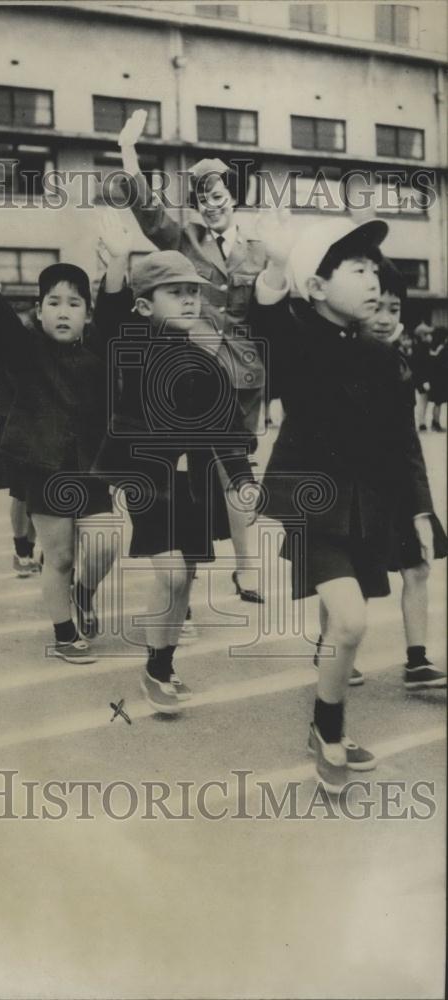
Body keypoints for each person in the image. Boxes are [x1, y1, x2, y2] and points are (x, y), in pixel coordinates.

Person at [254, 215, 437, 793]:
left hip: (365, 508)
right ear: (316, 287)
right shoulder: (298, 335)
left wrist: (417, 513)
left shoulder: (383, 358)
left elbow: (399, 443)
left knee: (350, 629)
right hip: (312, 504)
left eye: (374, 271)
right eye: (356, 270)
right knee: (352, 620)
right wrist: (279, 266)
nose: (373, 281)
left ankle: (324, 727)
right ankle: (328, 732)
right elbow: (265, 321)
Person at [117, 110, 279, 602]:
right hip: (193, 374)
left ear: (233, 194)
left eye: (218, 193)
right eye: (203, 197)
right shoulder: (184, 238)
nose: (211, 204)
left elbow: (272, 325)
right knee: (186, 475)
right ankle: (181, 583)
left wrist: (276, 393)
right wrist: (128, 154)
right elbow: (147, 212)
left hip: (246, 378)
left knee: (238, 475)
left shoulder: (259, 251)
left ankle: (246, 567)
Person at [91, 236, 256, 714]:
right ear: (144, 306)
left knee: (184, 579)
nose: (188, 298)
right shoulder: (133, 342)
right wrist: (119, 262)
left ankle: (160, 665)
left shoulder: (206, 362)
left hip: (191, 483)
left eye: (193, 291)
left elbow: (228, 428)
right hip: (147, 476)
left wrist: (243, 478)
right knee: (171, 572)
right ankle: (156, 670)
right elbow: (110, 315)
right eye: (175, 291)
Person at [0, 229, 117, 664]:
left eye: (74, 303)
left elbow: (118, 314)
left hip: (91, 465)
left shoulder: (101, 345)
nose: (64, 312)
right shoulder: (26, 348)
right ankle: (64, 634)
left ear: (87, 313)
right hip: (45, 465)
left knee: (104, 544)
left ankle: (84, 593)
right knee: (59, 556)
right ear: (39, 310)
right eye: (54, 303)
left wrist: (115, 266)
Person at [354, 260, 446, 689]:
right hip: (356, 487)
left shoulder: (400, 360)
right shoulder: (341, 356)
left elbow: (410, 441)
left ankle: (417, 660)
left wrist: (423, 507)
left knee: (418, 567)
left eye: (394, 308)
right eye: (376, 308)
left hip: (400, 485)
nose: (386, 317)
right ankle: (332, 648)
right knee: (350, 573)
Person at [0, 367, 40, 577]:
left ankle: (33, 548)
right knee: (20, 490)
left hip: (47, 409)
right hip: (13, 413)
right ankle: (21, 551)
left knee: (39, 487)